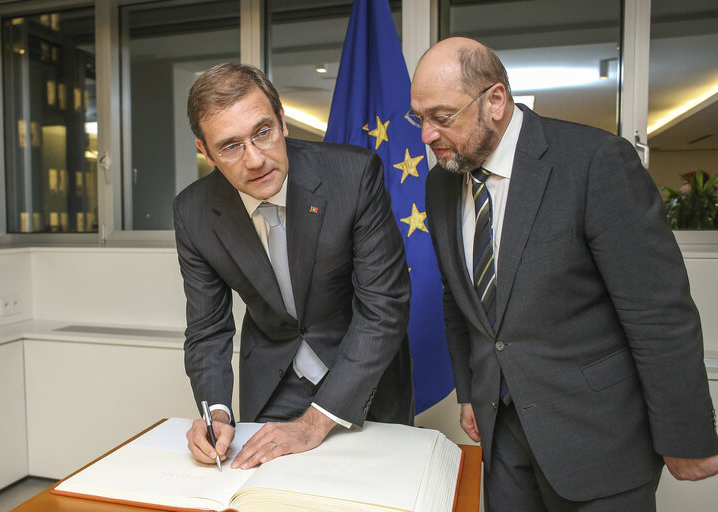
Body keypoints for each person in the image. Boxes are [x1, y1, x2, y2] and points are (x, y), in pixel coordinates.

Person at [410, 37, 718, 510]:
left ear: (495, 100)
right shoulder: (440, 182)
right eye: (419, 118)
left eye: (442, 118)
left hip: (599, 438)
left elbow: (658, 312)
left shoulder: (595, 162)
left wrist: (689, 435)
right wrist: (469, 391)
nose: (427, 136)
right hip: (504, 436)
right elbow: (458, 295)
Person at [174, 63, 413, 471]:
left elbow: (384, 307)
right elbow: (207, 328)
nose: (254, 160)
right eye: (230, 146)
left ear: (283, 122)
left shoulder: (353, 175)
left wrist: (315, 422)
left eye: (262, 132)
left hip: (361, 376)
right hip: (273, 380)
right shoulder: (193, 211)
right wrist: (216, 414)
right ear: (205, 152)